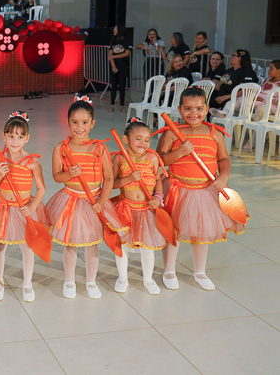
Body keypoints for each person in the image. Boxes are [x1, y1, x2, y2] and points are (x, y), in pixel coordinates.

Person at [156, 87, 248, 291]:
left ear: (207, 109)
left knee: (201, 231)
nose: (193, 113)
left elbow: (224, 159)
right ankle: (169, 270)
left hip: (205, 190)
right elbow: (159, 161)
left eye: (199, 108)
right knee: (173, 229)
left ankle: (199, 271)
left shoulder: (215, 134)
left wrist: (223, 177)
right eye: (188, 108)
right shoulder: (171, 133)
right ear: (179, 110)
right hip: (177, 189)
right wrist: (180, 152)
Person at [44, 96, 128, 299]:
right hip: (71, 199)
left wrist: (102, 201)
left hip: (94, 201)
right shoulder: (61, 148)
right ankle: (69, 281)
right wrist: (69, 174)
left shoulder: (99, 148)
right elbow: (57, 176)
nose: (79, 127)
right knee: (71, 243)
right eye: (74, 122)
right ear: (67, 122)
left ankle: (91, 281)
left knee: (92, 243)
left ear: (93, 123)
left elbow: (109, 178)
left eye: (84, 122)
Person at [0, 111, 48, 303]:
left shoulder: (32, 162)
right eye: (11, 136)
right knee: (0, 245)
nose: (15, 141)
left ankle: (27, 283)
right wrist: (0, 174)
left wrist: (32, 208)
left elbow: (41, 189)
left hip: (23, 209)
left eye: (20, 137)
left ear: (27, 138)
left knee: (27, 246)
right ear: (3, 136)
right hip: (2, 207)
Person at [111, 117, 168, 295]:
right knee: (122, 245)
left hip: (146, 209)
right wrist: (128, 179)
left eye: (147, 139)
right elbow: (111, 184)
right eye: (138, 139)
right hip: (125, 209)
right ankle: (122, 277)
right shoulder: (119, 158)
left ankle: (148, 279)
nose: (143, 143)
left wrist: (158, 197)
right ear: (125, 139)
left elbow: (158, 180)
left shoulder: (152, 157)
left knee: (147, 247)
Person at [108, 25, 131, 112]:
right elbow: (110, 55)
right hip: (114, 64)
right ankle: (112, 105)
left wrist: (114, 57)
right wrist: (113, 65)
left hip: (123, 65)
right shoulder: (113, 40)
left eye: (116, 29)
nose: (114, 30)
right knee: (113, 85)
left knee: (122, 85)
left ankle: (122, 105)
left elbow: (126, 53)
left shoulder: (126, 40)